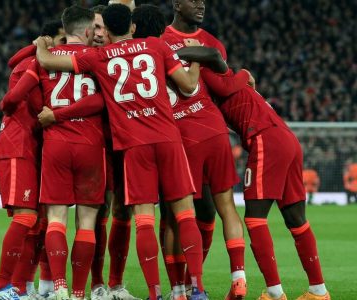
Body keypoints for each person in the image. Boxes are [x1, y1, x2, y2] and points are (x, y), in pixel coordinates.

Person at [36, 4, 208, 300]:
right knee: (185, 215)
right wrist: (195, 58)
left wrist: (42, 45)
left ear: (106, 30)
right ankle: (197, 291)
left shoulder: (99, 57)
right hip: (168, 139)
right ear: (133, 27)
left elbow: (49, 61)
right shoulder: (155, 45)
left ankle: (153, 294)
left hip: (132, 145)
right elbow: (190, 87)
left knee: (143, 219)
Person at [201, 65, 331, 300]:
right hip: (287, 139)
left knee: (254, 219)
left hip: (265, 139)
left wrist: (241, 72)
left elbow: (219, 78)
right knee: (296, 220)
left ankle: (274, 293)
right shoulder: (236, 89)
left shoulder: (218, 80)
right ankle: (318, 291)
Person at [4, 5, 107, 300]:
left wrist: (38, 45)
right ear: (88, 31)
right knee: (87, 223)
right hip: (90, 143)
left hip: (55, 144)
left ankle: (58, 284)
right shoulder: (97, 58)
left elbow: (16, 66)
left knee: (57, 219)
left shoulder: (42, 59)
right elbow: (102, 100)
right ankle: (77, 292)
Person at [160, 1, 247, 299]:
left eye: (203, 0)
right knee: (220, 209)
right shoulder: (166, 39)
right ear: (175, 3)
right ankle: (233, 278)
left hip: (187, 136)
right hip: (210, 131)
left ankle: (182, 288)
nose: (200, 4)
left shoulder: (162, 44)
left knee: (176, 216)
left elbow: (222, 87)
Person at [0, 20, 65, 300]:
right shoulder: (33, 66)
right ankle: (1, 287)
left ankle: (21, 287)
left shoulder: (39, 63)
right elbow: (9, 102)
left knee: (37, 222)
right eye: (60, 41)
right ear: (47, 40)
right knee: (27, 217)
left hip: (28, 149)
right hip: (18, 147)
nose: (64, 48)